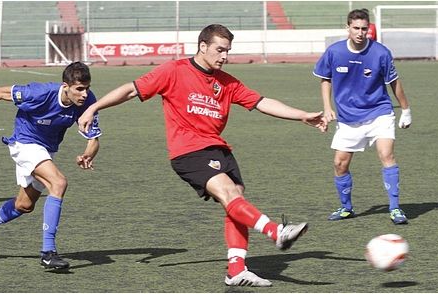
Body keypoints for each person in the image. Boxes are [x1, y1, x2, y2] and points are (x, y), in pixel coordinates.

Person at [78, 24, 327, 287]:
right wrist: (93, 107)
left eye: (228, 51)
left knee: (236, 204)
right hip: (188, 151)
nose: (224, 56)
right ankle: (275, 231)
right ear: (203, 46)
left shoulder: (227, 82)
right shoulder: (174, 71)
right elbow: (131, 89)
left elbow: (261, 102)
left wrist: (302, 115)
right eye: (220, 50)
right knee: (231, 195)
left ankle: (236, 270)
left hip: (219, 149)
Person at [0, 61, 102, 269]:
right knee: (59, 183)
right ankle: (48, 252)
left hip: (46, 150)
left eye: (87, 89)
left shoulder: (88, 102)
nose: (84, 94)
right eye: (79, 89)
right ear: (65, 86)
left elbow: (93, 140)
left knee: (24, 205)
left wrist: (88, 154)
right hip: (24, 143)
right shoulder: (39, 93)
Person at [313, 9, 412, 225]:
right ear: (347, 28)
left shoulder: (381, 53)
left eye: (364, 28)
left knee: (386, 155)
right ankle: (346, 208)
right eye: (356, 28)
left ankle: (395, 208)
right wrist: (327, 107)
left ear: (369, 29)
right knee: (340, 164)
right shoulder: (334, 52)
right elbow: (325, 78)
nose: (360, 32)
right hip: (348, 118)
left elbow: (394, 82)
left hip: (379, 113)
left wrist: (405, 110)